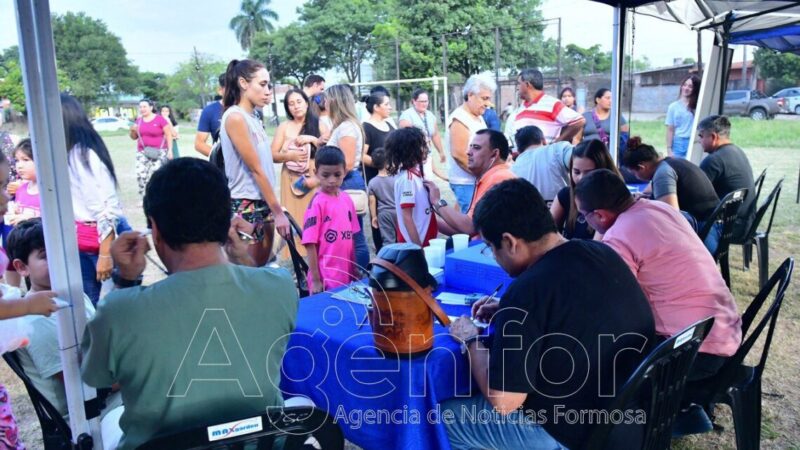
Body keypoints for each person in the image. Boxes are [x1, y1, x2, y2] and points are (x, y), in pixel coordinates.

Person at [81, 158, 299, 450]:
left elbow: (96, 378)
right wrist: (244, 260)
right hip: (261, 443)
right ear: (228, 222)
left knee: (107, 425)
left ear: (155, 230)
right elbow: (254, 286)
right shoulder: (281, 287)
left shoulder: (119, 311)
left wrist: (125, 281)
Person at [442, 178, 655, 450]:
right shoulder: (602, 253)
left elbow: (504, 401)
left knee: (439, 419)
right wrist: (507, 311)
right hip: (630, 416)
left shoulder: (526, 293)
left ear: (509, 242)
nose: (493, 256)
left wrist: (470, 340)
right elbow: (574, 309)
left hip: (574, 433)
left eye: (490, 248)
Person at [575, 169, 741, 381]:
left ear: (599, 215)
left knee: (597, 360)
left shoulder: (619, 238)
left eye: (584, 215)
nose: (585, 221)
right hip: (725, 330)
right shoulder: (660, 208)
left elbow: (612, 305)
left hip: (695, 351)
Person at [8, 218, 123, 421]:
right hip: (87, 417)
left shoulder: (76, 297)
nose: (59, 260)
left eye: (63, 251)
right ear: (22, 267)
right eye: (46, 256)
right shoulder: (36, 321)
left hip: (107, 398)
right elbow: (82, 383)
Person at [220, 59, 290, 267]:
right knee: (249, 273)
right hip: (246, 205)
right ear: (243, 83)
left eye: (268, 85)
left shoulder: (253, 116)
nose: (268, 90)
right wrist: (278, 212)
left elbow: (264, 163)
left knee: (262, 268)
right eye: (262, 84)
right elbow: (255, 169)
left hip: (261, 202)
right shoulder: (235, 117)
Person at [61, 93, 128, 304]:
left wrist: (105, 255)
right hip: (83, 245)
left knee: (92, 308)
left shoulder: (81, 156)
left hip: (93, 247)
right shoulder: (71, 153)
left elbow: (106, 209)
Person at [622, 137, 721, 250]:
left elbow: (670, 216)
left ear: (642, 167)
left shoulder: (662, 173)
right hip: (715, 226)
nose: (636, 177)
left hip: (706, 234)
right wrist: (649, 199)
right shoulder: (675, 162)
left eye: (634, 173)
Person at [271, 88, 328, 257]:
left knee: (313, 218)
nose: (295, 107)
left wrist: (312, 139)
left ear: (306, 102)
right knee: (295, 219)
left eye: (299, 102)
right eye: (291, 104)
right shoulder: (284, 127)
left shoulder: (319, 124)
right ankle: (300, 261)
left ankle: (317, 258)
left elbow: (329, 151)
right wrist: (290, 155)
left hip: (313, 177)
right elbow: (273, 154)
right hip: (290, 178)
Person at [426, 129, 515, 236]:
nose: (468, 152)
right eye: (470, 147)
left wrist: (437, 201)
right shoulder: (490, 176)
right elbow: (462, 228)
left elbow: (470, 227)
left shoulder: (499, 178)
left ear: (494, 154)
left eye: (476, 148)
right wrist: (427, 220)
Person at [301, 146, 360, 294]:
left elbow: (351, 238)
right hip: (326, 276)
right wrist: (315, 280)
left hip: (346, 272)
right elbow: (310, 244)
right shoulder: (317, 203)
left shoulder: (347, 199)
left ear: (345, 172)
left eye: (337, 174)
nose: (332, 180)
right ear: (316, 173)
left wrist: (354, 269)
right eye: (326, 175)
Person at [325, 84, 369, 270]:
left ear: (335, 101)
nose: (324, 103)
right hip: (347, 183)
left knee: (354, 238)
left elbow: (348, 163)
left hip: (347, 184)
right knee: (348, 235)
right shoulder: (344, 127)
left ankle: (359, 276)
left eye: (326, 99)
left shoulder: (347, 128)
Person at [698, 115, 756, 241]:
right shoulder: (737, 151)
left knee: (684, 221)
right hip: (747, 222)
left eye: (701, 136)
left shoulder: (714, 160)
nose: (699, 141)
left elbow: (693, 192)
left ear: (713, 137)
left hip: (730, 226)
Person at [550, 139, 622, 240]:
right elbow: (546, 233)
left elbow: (597, 248)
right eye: (576, 172)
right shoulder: (565, 195)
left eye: (589, 173)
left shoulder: (613, 202)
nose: (581, 178)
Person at [447, 75, 495, 213]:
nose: (488, 103)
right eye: (484, 98)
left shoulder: (478, 117)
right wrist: (481, 174)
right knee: (472, 224)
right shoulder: (459, 119)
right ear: (470, 95)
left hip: (474, 181)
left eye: (489, 98)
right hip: (466, 182)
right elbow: (459, 154)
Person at [386, 127, 438, 247]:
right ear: (411, 151)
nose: (427, 149)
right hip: (416, 242)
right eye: (423, 145)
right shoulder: (408, 179)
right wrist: (417, 248)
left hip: (425, 239)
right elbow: (407, 217)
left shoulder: (416, 174)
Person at [505, 68, 584, 146]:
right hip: (521, 157)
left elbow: (579, 121)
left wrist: (556, 144)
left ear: (527, 84)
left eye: (519, 83)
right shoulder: (520, 110)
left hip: (544, 157)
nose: (517, 88)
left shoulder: (552, 104)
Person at [510, 125, 573, 203]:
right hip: (566, 212)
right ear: (543, 140)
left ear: (518, 150)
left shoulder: (513, 169)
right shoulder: (557, 149)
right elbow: (579, 157)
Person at [398, 88, 447, 181]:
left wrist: (441, 151)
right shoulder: (406, 116)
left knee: (428, 182)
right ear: (414, 101)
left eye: (426, 101)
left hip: (426, 155)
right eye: (421, 101)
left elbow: (435, 134)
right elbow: (406, 139)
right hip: (412, 158)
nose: (425, 104)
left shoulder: (430, 115)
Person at [129, 98, 173, 198]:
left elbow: (168, 134)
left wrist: (170, 150)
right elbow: (134, 137)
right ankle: (143, 197)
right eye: (140, 107)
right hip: (142, 151)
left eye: (144, 106)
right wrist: (132, 131)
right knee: (140, 174)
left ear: (151, 107)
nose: (142, 109)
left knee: (156, 175)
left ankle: (157, 196)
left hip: (159, 151)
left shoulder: (160, 119)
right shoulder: (139, 120)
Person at [362, 90, 395, 184]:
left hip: (392, 178)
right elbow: (362, 155)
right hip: (376, 181)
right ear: (376, 107)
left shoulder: (389, 124)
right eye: (386, 104)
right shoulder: (366, 127)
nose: (390, 108)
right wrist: (382, 166)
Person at [367, 148, 396, 251]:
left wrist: (374, 217)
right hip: (399, 212)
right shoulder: (396, 179)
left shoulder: (372, 182)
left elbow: (372, 201)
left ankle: (388, 262)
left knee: (388, 241)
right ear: (387, 163)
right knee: (402, 239)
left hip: (384, 215)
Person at [5, 139, 40, 225]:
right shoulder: (20, 189)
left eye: (26, 160)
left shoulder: (51, 191)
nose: (19, 166)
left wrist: (28, 219)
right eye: (17, 160)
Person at [665, 74, 701, 159]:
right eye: (684, 85)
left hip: (694, 142)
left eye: (690, 86)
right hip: (678, 143)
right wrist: (669, 149)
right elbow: (670, 129)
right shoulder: (673, 107)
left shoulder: (698, 106)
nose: (686, 88)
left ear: (695, 89)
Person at [194, 74, 225, 157]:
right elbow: (199, 144)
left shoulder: (250, 111)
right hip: (221, 168)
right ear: (220, 90)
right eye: (231, 88)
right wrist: (219, 159)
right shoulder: (210, 111)